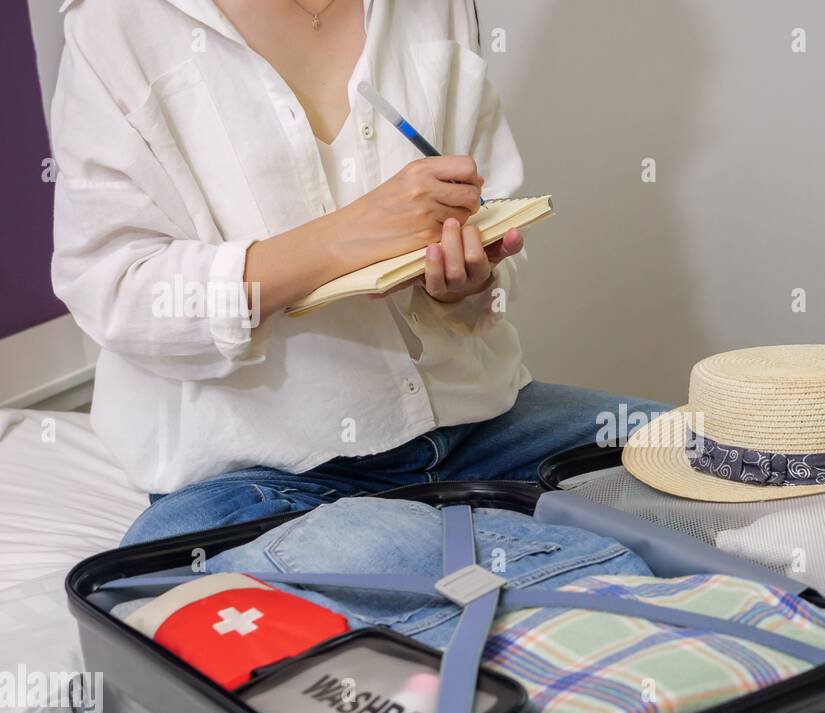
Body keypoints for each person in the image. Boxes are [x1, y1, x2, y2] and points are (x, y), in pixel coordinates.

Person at [50, 0, 665, 545]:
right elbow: (117, 288)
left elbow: (493, 212)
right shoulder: (116, 22)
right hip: (258, 480)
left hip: (479, 431)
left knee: (715, 455)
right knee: (369, 564)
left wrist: (466, 286)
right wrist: (343, 237)